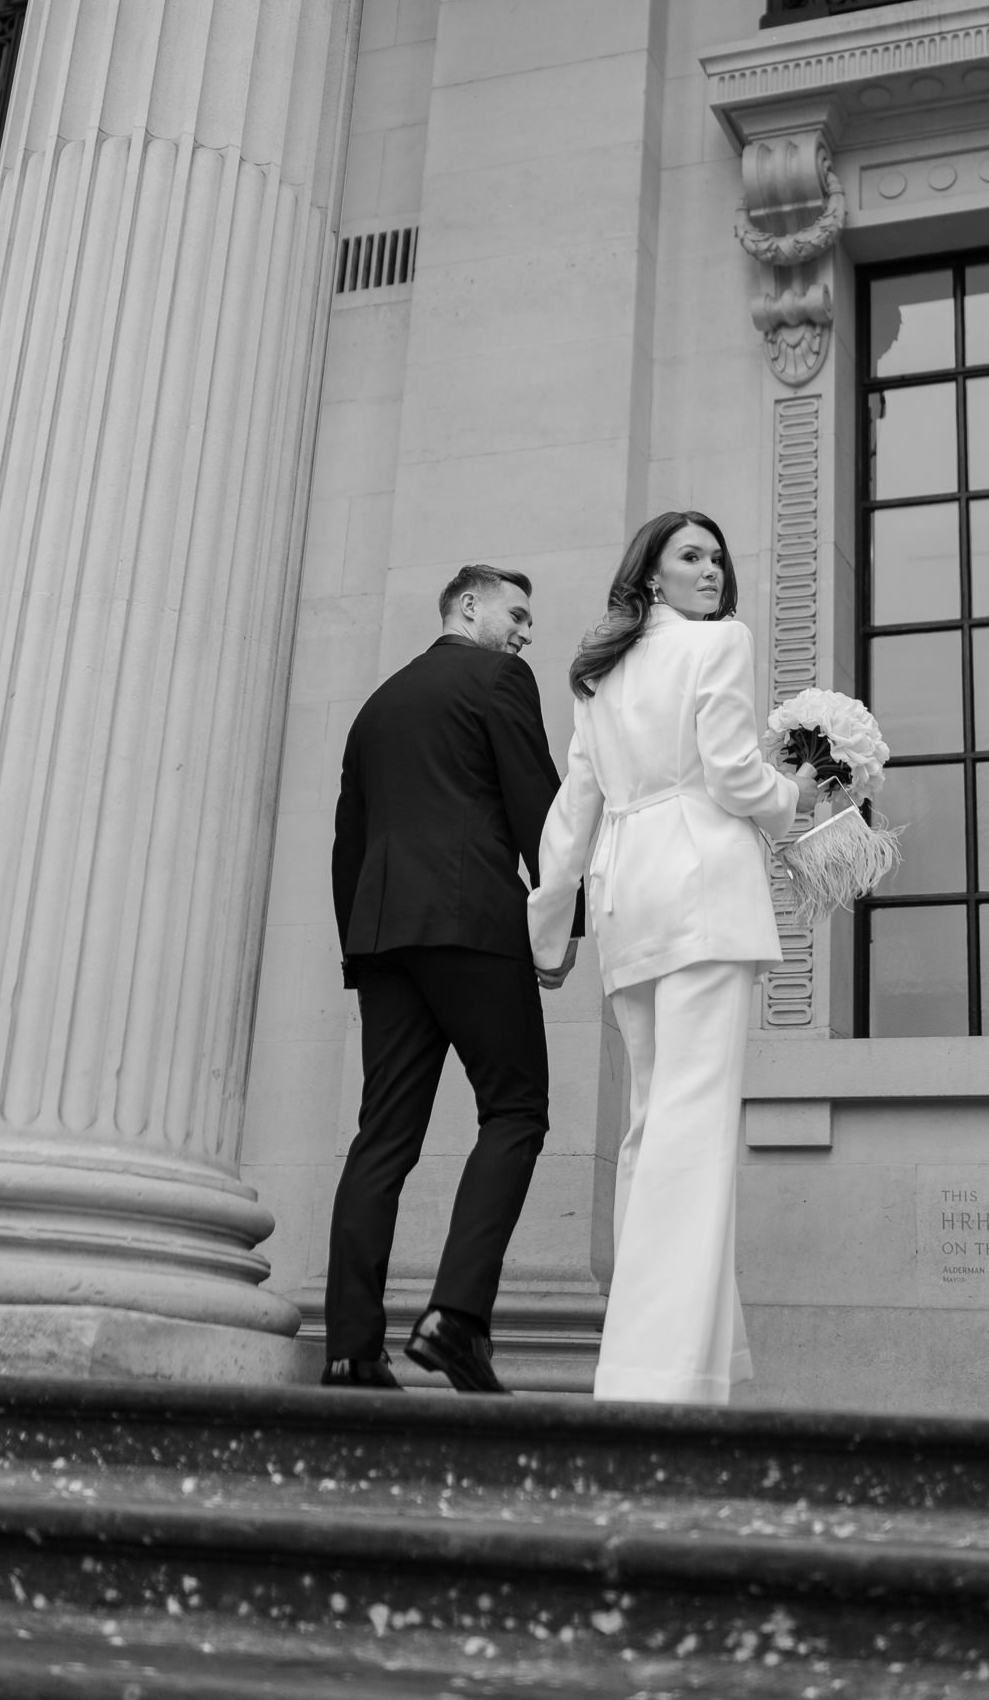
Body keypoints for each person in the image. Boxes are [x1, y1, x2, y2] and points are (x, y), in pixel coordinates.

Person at [529, 512, 817, 1406]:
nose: (711, 569)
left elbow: (573, 809)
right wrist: (793, 797)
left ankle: (679, 1361)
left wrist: (547, 929)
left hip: (627, 900)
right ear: (650, 576)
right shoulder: (719, 643)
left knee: (653, 1127)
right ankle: (663, 1376)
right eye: (690, 556)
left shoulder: (597, 674)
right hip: (700, 891)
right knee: (690, 1130)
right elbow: (734, 774)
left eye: (717, 558)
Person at [325, 563, 580, 1393]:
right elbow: (538, 808)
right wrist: (562, 929)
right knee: (516, 1110)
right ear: (467, 606)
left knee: (382, 1139)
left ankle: (351, 1350)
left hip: (385, 938)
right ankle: (455, 1320)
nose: (527, 631)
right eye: (518, 613)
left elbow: (347, 845)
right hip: (472, 926)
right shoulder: (500, 678)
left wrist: (358, 954)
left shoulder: (376, 707)